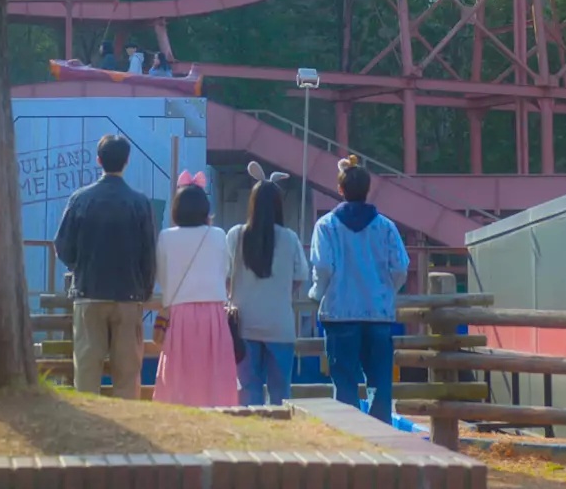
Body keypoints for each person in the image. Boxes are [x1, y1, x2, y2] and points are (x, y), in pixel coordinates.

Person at [54, 134, 157, 398]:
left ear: (98, 160)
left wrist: (80, 267)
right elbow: (149, 254)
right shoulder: (140, 203)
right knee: (128, 374)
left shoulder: (80, 199)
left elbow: (62, 247)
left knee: (87, 372)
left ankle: (87, 421)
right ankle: (127, 420)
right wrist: (144, 290)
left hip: (88, 293)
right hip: (128, 296)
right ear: (127, 161)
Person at [309, 155, 408, 421]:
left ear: (340, 189)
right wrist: (386, 292)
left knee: (344, 383)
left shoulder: (326, 226)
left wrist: (317, 293)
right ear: (368, 189)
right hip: (378, 313)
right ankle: (381, 433)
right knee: (379, 383)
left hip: (339, 312)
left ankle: (349, 432)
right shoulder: (386, 227)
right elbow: (400, 268)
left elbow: (323, 267)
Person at [152, 177, 237, 408]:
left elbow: (161, 275)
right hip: (213, 313)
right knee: (213, 375)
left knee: (179, 374)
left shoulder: (166, 237)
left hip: (179, 313)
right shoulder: (217, 235)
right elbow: (226, 269)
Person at [226, 171, 307, 406]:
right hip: (280, 325)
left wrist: (235, 293)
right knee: (281, 394)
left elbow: (225, 275)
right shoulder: (290, 238)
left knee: (247, 391)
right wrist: (281, 293)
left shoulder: (236, 235)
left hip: (244, 325)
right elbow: (300, 276)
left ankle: (250, 429)